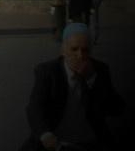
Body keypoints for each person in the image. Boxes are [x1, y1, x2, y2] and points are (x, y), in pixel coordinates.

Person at [21, 22, 124, 150]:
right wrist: (45, 134)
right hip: (57, 142)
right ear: (63, 50)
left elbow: (116, 108)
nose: (80, 56)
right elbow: (34, 108)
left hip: (89, 141)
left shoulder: (100, 70)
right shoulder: (48, 72)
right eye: (74, 49)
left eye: (85, 50)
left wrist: (91, 79)